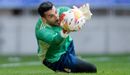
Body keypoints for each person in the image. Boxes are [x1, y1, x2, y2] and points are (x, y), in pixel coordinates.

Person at [35, 1, 97, 73]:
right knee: (92, 68)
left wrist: (81, 16)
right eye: (51, 16)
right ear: (44, 19)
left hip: (68, 44)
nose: (56, 17)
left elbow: (74, 23)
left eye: (55, 12)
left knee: (77, 70)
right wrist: (66, 29)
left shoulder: (62, 11)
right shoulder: (42, 31)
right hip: (54, 58)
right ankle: (63, 67)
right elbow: (56, 41)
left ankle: (69, 67)